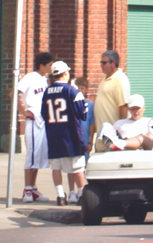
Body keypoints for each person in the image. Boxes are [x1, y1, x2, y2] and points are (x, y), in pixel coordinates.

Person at [40, 62, 88, 205]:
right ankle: (82, 194)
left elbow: (44, 114)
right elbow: (82, 112)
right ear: (65, 73)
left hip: (53, 135)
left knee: (56, 167)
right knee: (77, 167)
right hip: (71, 135)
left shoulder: (47, 92)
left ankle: (60, 195)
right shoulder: (72, 91)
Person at [18, 52, 57, 204]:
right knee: (32, 155)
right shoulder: (30, 77)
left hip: (42, 121)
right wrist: (23, 112)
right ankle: (27, 189)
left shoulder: (44, 79)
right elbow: (15, 92)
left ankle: (33, 188)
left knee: (39, 156)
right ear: (42, 66)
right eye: (49, 65)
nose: (51, 68)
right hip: (33, 121)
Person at [92, 50, 130, 150]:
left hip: (112, 136)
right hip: (102, 134)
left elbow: (123, 106)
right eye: (101, 62)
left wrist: (118, 132)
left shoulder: (120, 79)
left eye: (104, 63)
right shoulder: (106, 78)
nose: (101, 65)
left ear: (113, 63)